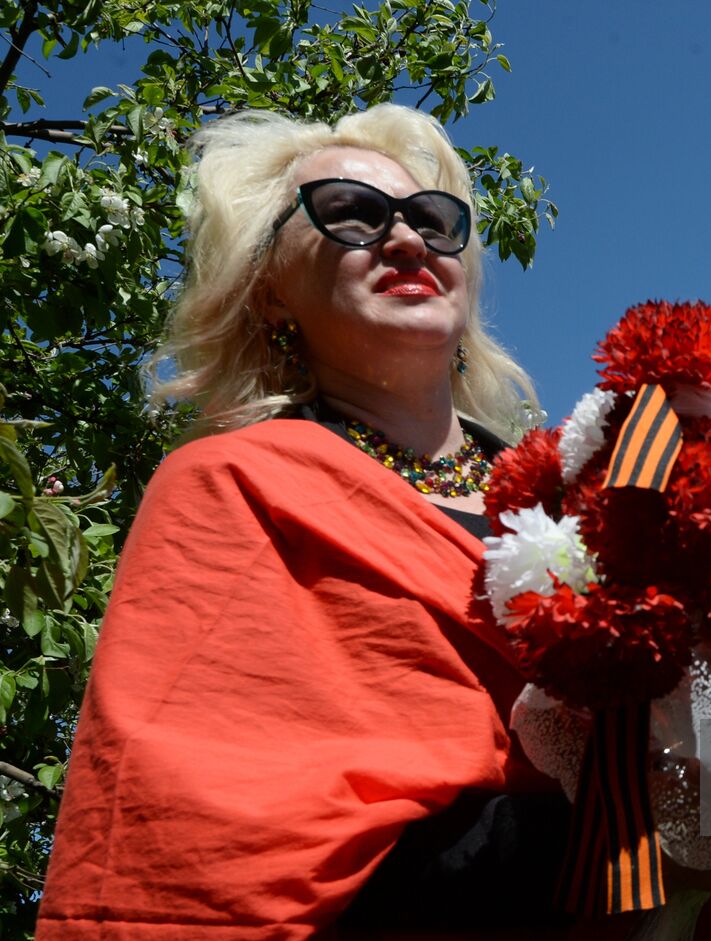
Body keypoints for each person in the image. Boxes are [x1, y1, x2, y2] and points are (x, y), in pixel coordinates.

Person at [36, 104, 570, 939]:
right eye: (351, 212)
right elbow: (189, 859)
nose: (406, 240)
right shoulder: (232, 487)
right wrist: (621, 842)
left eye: (434, 219)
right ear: (269, 290)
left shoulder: (594, 495)